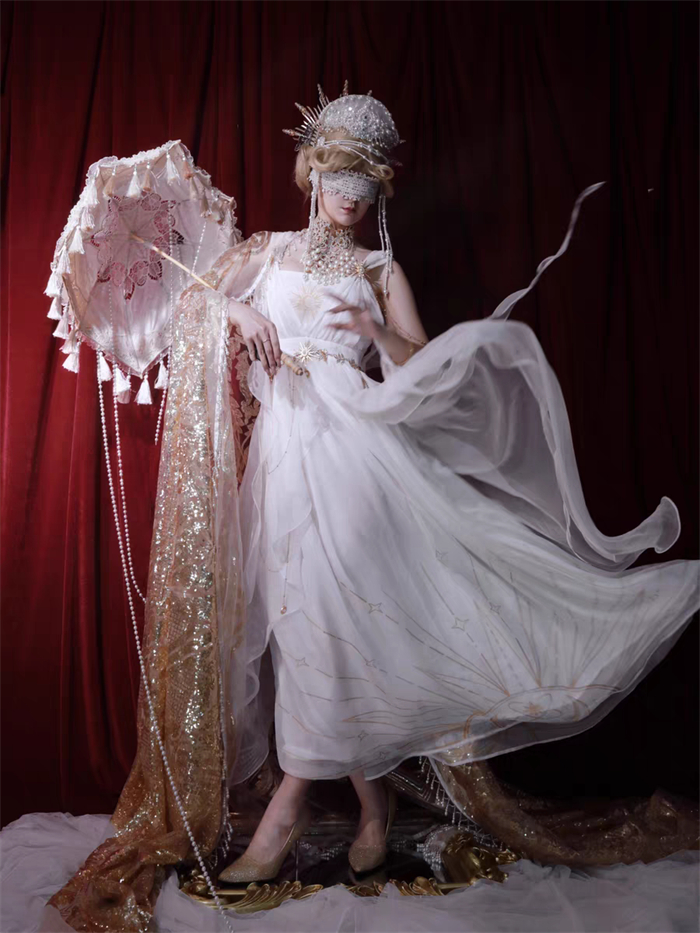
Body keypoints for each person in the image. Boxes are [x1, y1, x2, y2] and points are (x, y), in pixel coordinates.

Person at [168, 85, 699, 884]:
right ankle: (373, 803)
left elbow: (422, 366)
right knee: (304, 623)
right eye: (340, 176)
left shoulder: (381, 269)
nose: (352, 195)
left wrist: (378, 331)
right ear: (313, 172)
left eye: (367, 182)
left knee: (327, 614)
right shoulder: (266, 251)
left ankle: (288, 810)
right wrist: (237, 316)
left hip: (354, 457)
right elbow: (194, 300)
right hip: (282, 458)